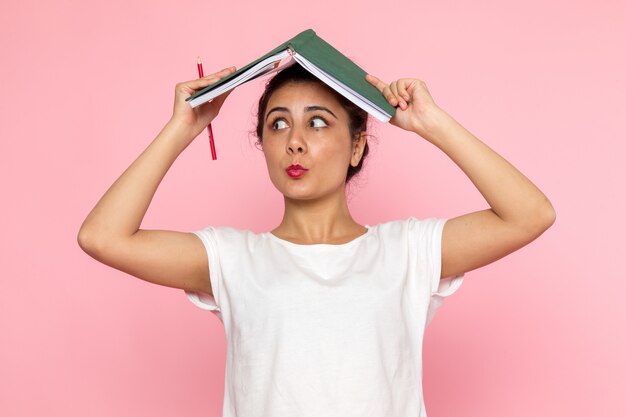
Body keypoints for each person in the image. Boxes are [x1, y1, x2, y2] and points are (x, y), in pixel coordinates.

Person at [77, 62, 555, 416]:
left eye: (319, 122)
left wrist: (431, 123)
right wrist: (181, 129)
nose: (295, 141)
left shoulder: (407, 252)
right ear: (262, 143)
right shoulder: (233, 258)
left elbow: (530, 214)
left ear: (358, 145)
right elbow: (102, 236)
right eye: (278, 123)